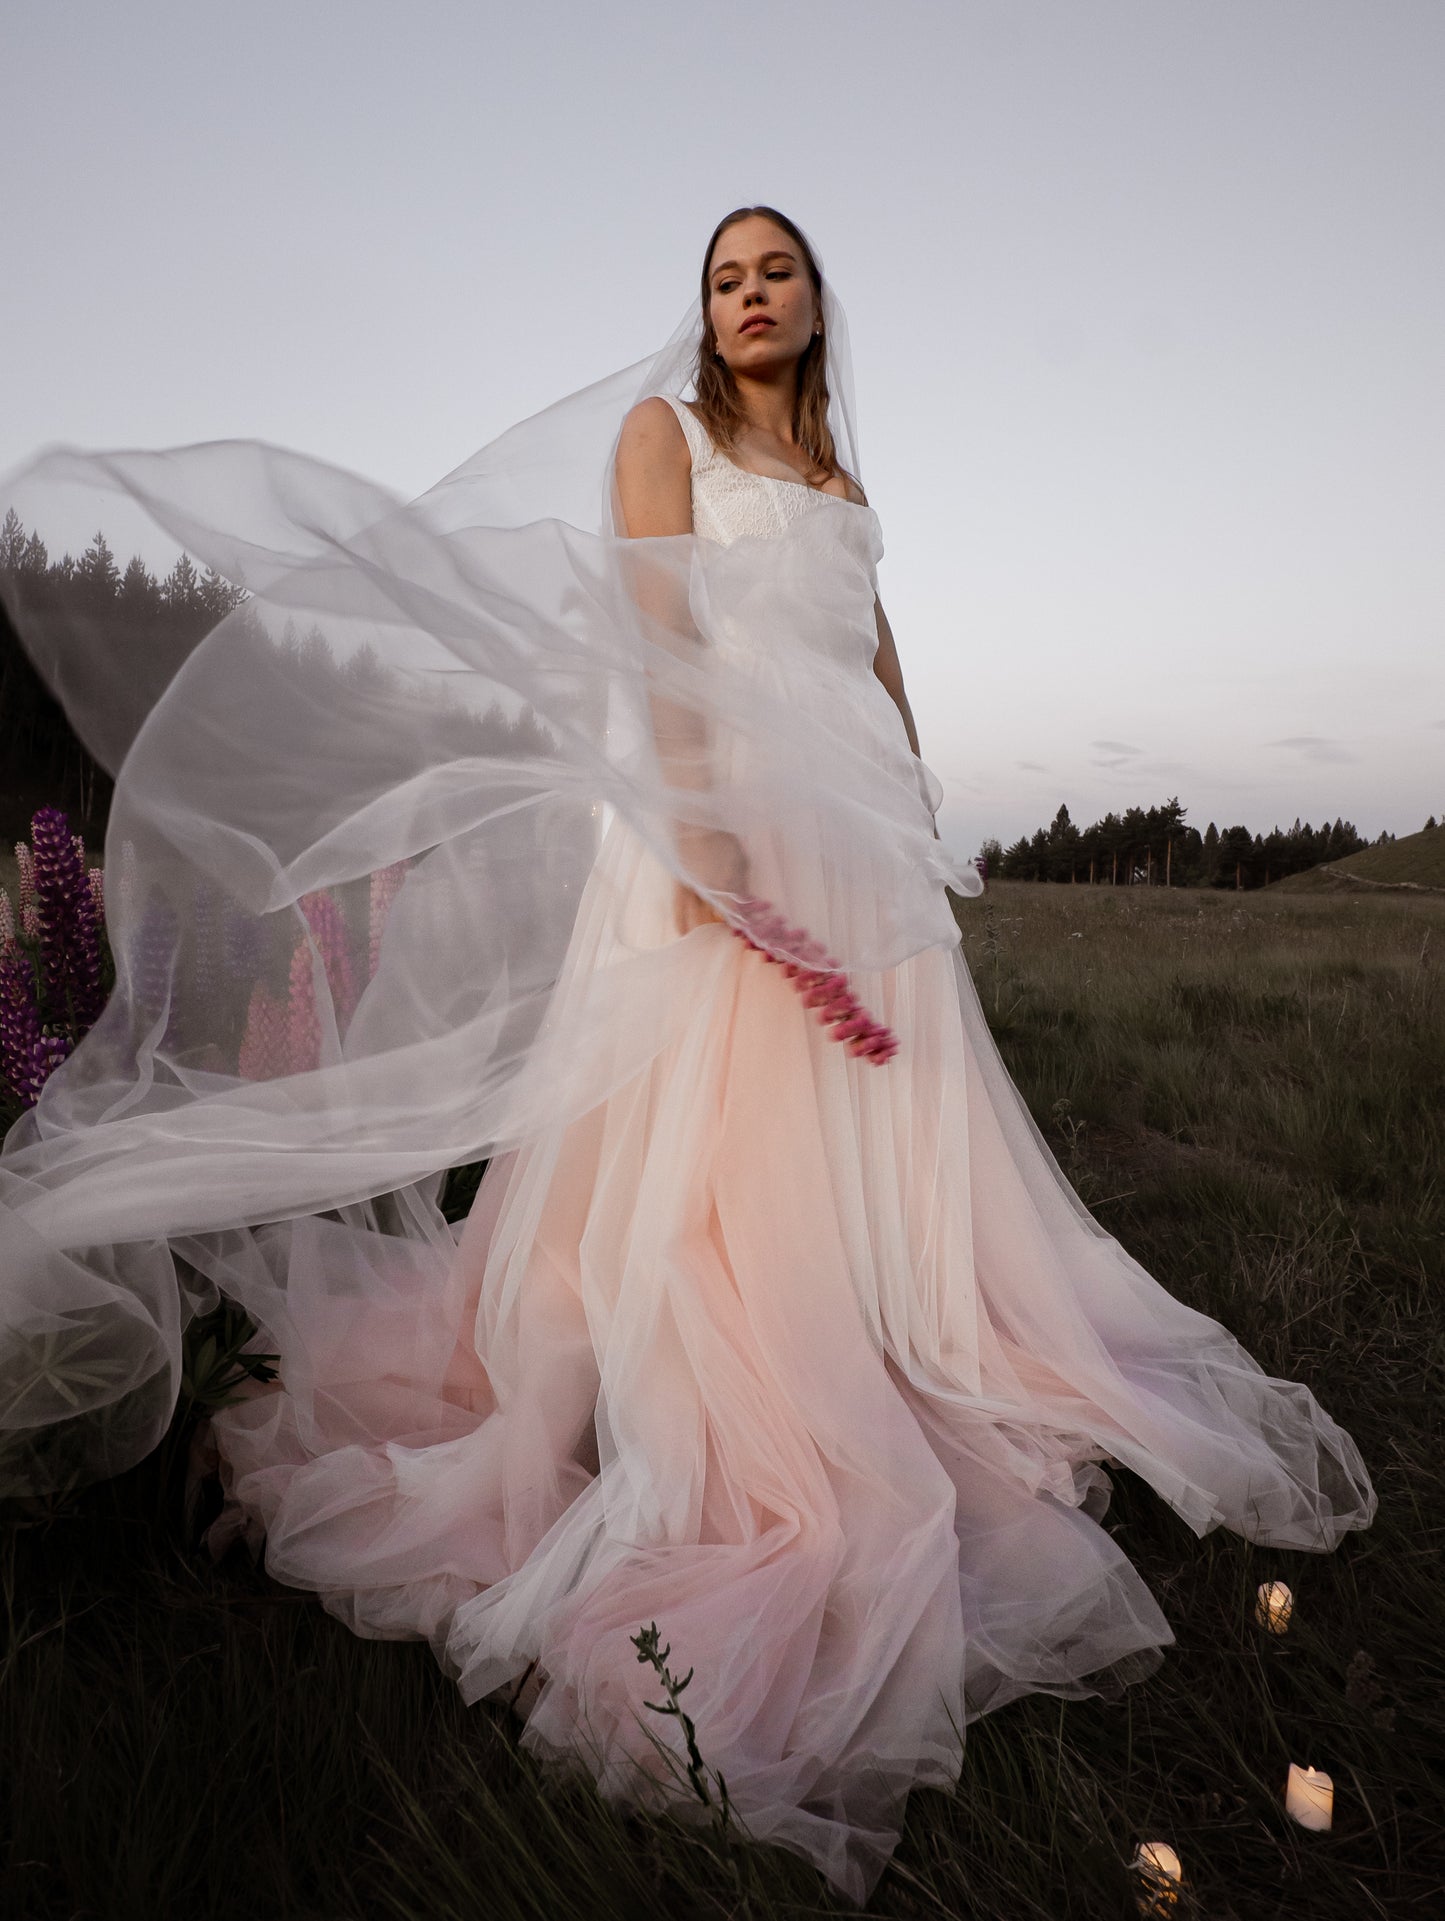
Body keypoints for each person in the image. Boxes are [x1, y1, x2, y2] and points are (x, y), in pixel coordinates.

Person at [0, 207, 1375, 1902]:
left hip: (857, 857)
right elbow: (656, 640)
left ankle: (887, 1318)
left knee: (885, 1136)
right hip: (713, 834)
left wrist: (910, 811)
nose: (747, 295)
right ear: (702, 310)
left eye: (773, 271)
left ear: (815, 305)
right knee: (707, 1155)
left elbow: (876, 668)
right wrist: (704, 833)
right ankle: (723, 1372)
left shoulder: (849, 495)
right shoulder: (666, 439)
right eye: (724, 275)